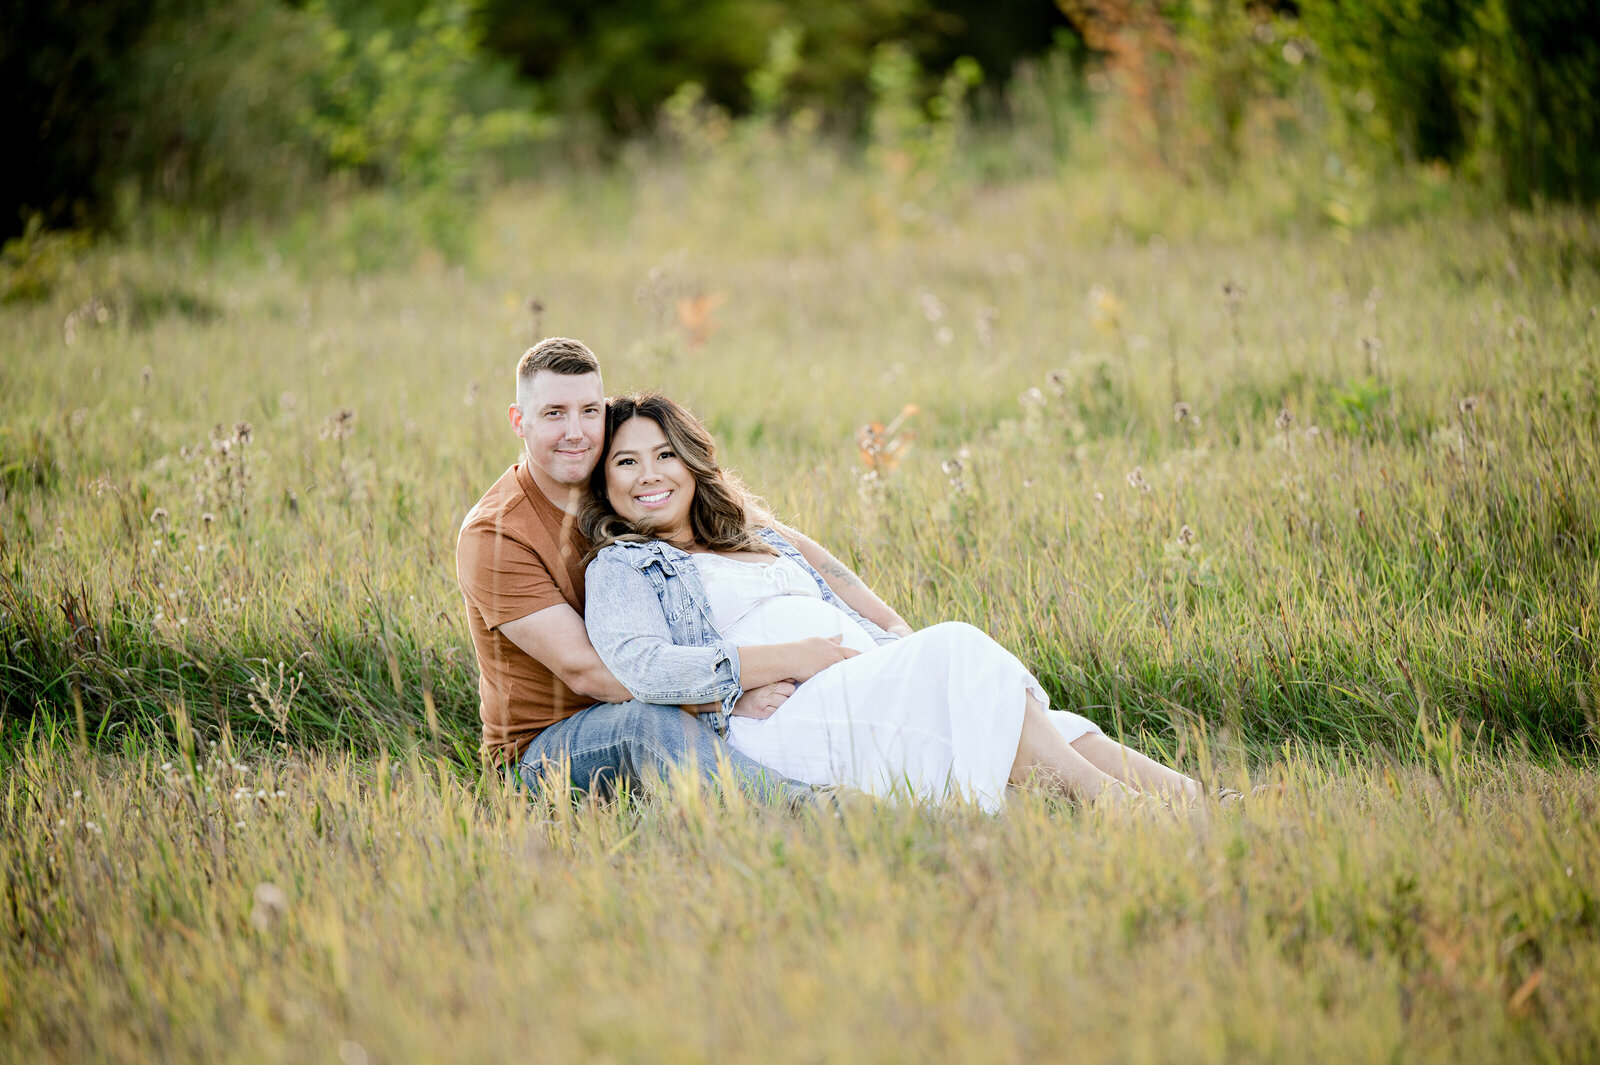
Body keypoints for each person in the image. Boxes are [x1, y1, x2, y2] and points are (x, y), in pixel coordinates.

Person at [582, 392, 1216, 811]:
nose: (649, 474)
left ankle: (1202, 803)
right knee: (958, 651)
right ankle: (1120, 812)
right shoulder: (623, 566)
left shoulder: (754, 537)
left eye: (666, 454)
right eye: (627, 462)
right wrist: (782, 661)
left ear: (693, 463)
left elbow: (843, 584)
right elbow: (643, 667)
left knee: (1028, 716)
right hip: (776, 722)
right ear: (605, 481)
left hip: (858, 680)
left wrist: (889, 639)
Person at [455, 338, 912, 802]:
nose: (576, 431)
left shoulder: (618, 464)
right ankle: (808, 805)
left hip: (690, 685)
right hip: (552, 745)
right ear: (520, 421)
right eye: (554, 413)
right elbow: (592, 674)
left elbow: (787, 543)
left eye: (589, 411)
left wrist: (893, 627)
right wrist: (726, 698)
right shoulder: (495, 536)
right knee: (645, 725)